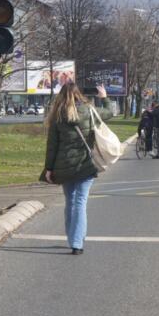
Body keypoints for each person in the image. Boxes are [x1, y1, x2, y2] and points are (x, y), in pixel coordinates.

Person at [42, 84, 112, 255]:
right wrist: (104, 97)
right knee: (80, 202)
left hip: (63, 166)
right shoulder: (89, 111)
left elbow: (52, 146)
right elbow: (109, 113)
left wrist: (48, 169)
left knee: (70, 202)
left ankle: (71, 236)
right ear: (78, 95)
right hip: (85, 164)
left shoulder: (57, 115)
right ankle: (77, 243)